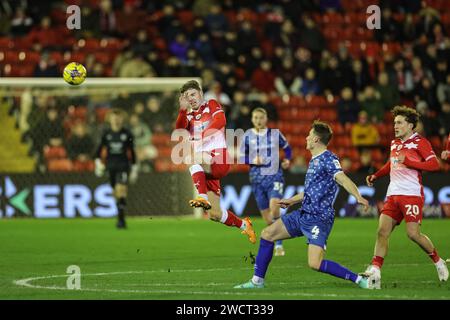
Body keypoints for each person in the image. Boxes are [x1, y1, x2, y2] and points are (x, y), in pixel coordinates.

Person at [234, 121, 371, 289]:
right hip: (303, 213)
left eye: (309, 135)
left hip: (319, 218)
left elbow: (342, 178)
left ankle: (359, 279)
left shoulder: (328, 158)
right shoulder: (314, 161)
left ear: (316, 139)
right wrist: (291, 200)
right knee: (267, 234)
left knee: (315, 263)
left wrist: (358, 196)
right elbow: (309, 192)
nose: (306, 137)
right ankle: (257, 282)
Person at [363, 105, 448, 288]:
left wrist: (409, 161)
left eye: (399, 123)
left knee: (413, 234)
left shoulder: (420, 143)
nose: (395, 126)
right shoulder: (395, 143)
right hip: (393, 194)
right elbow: (391, 164)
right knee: (382, 231)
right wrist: (376, 175)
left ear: (410, 126)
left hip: (411, 195)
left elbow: (434, 165)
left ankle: (438, 262)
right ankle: (375, 270)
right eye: (394, 123)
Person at [174, 80, 256, 243]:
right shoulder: (188, 116)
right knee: (214, 214)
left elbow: (221, 122)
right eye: (186, 96)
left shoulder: (211, 104)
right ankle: (244, 225)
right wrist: (182, 111)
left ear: (201, 93)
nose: (190, 98)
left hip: (219, 159)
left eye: (193, 94)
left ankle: (201, 196)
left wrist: (201, 137)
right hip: (206, 167)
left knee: (191, 158)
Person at [240, 107, 292, 256]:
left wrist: (287, 159)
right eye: (255, 118)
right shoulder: (247, 136)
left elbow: (287, 149)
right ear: (252, 119)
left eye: (261, 118)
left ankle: (279, 245)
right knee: (267, 218)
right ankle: (278, 238)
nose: (258, 120)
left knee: (274, 207)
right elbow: (242, 157)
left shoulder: (275, 134)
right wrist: (252, 160)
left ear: (266, 119)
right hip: (257, 179)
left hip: (275, 175)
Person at [94, 109, 138, 229]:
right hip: (110, 166)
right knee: (116, 192)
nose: (116, 120)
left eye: (118, 118)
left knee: (121, 189)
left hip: (123, 166)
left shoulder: (127, 134)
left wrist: (134, 168)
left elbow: (132, 152)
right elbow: (98, 151)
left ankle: (121, 220)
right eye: (114, 117)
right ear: (110, 119)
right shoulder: (106, 134)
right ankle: (120, 215)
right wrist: (98, 164)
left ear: (122, 119)